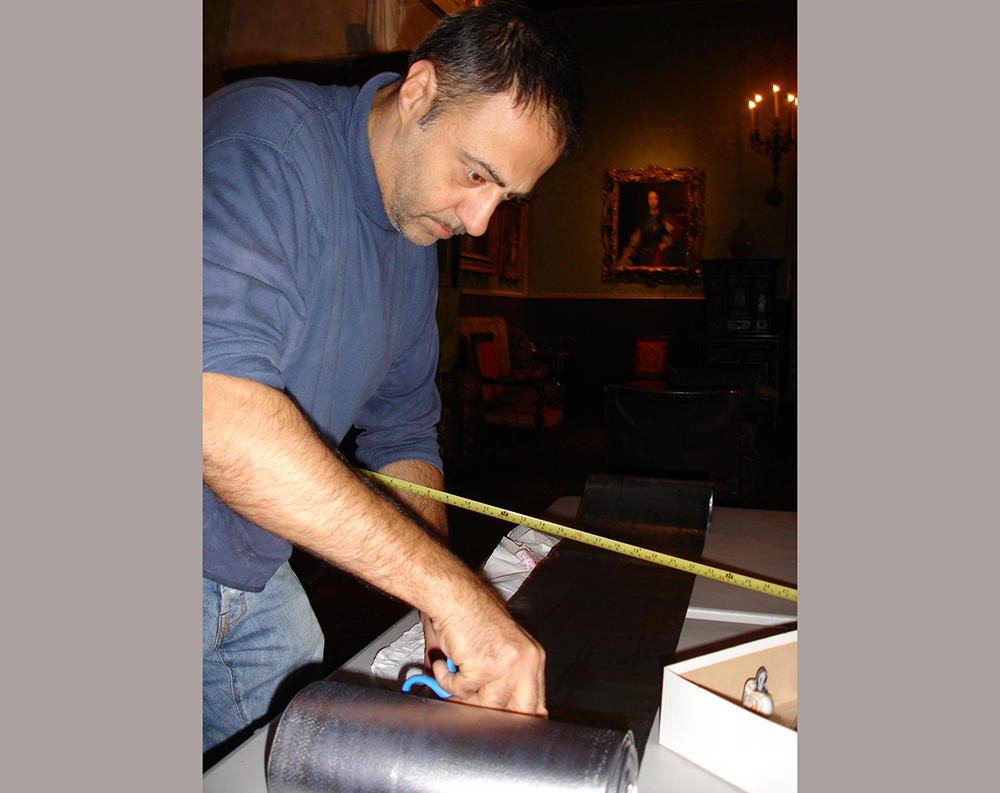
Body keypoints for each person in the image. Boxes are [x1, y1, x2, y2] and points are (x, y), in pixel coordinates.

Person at [202, 0, 584, 757]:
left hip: (243, 557)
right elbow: (214, 414)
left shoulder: (413, 233)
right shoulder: (266, 145)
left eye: (504, 197)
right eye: (476, 174)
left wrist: (437, 606)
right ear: (418, 92)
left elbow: (405, 429)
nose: (480, 221)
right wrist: (452, 593)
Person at [618, 189, 680, 268]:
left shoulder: (665, 217)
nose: (652, 201)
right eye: (650, 198)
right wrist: (631, 249)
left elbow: (679, 229)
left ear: (659, 200)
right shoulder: (645, 219)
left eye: (655, 198)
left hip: (658, 252)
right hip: (644, 251)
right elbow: (637, 237)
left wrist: (666, 243)